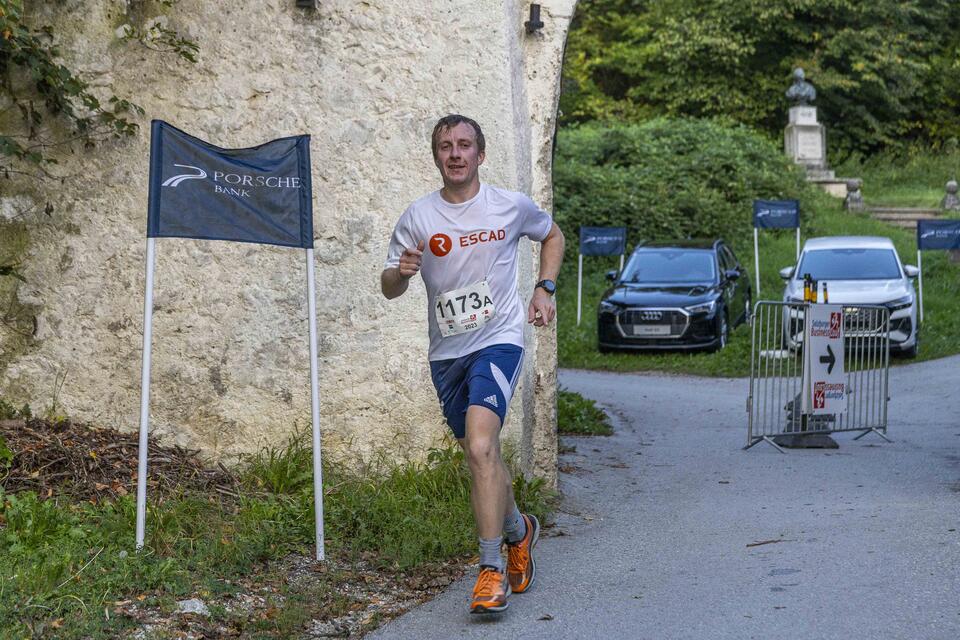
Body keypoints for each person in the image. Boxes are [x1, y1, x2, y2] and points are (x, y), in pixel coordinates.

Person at [381, 114, 565, 614]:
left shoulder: (508, 205)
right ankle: (518, 529)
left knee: (483, 445)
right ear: (437, 156)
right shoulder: (418, 217)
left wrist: (544, 287)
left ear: (480, 155)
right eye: (446, 146)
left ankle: (489, 572)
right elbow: (389, 287)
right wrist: (400, 273)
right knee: (480, 456)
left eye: (465, 145)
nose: (456, 154)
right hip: (447, 353)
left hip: (499, 340)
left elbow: (552, 235)